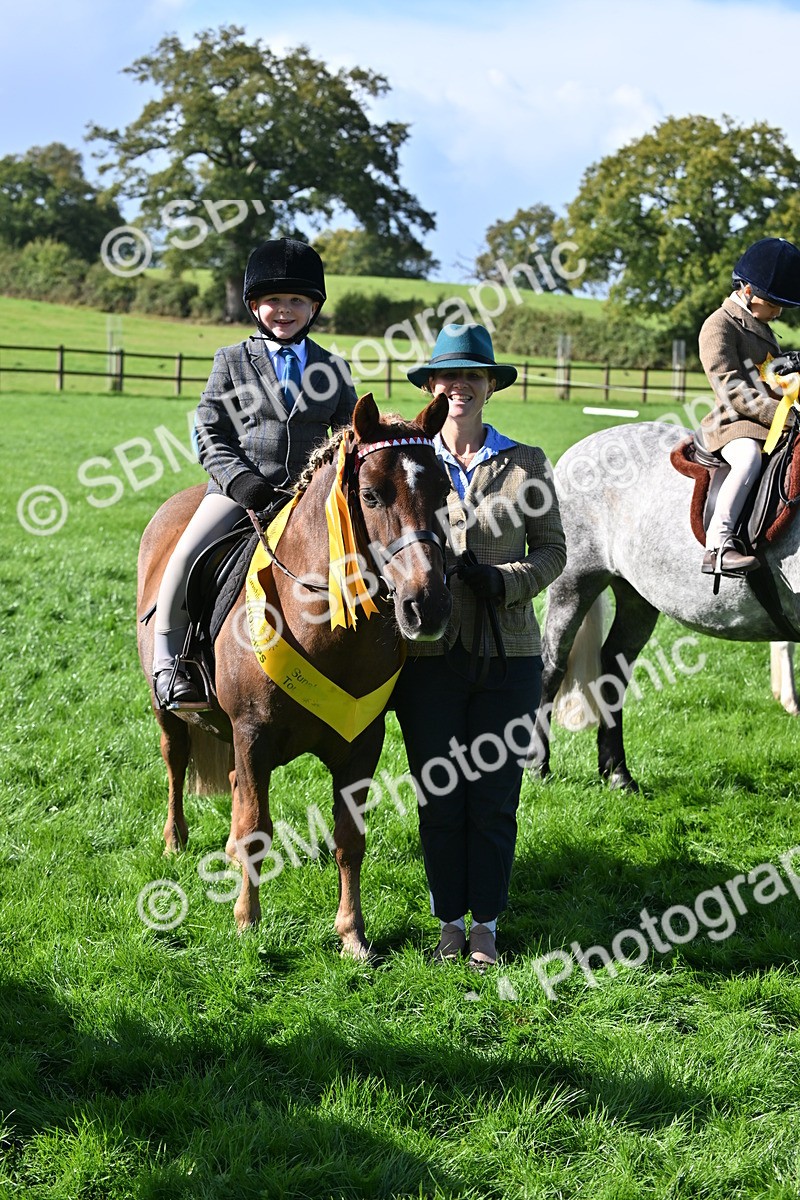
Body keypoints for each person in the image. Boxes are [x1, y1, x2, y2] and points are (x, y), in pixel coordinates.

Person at [392, 323, 567, 968]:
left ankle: (486, 924)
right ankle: (447, 922)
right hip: (428, 660)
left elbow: (554, 551)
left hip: (510, 654)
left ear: (489, 385)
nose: (459, 387)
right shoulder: (411, 462)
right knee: (439, 800)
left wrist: (503, 580)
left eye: (471, 376)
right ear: (432, 388)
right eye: (447, 377)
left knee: (494, 801)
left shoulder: (528, 463)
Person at [152, 238, 357, 706]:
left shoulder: (333, 367)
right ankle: (171, 664)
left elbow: (350, 435)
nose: (284, 310)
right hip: (239, 489)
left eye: (296, 301)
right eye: (273, 301)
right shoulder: (231, 361)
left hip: (309, 497)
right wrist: (243, 483)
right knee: (185, 558)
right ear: (253, 305)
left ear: (313, 307)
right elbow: (208, 431)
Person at [698, 236, 800, 576]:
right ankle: (718, 545)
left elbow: (774, 375)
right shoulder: (718, 326)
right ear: (746, 291)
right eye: (773, 303)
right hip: (733, 424)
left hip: (774, 423)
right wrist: (782, 417)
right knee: (749, 460)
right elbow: (731, 387)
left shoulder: (764, 326)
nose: (778, 311)